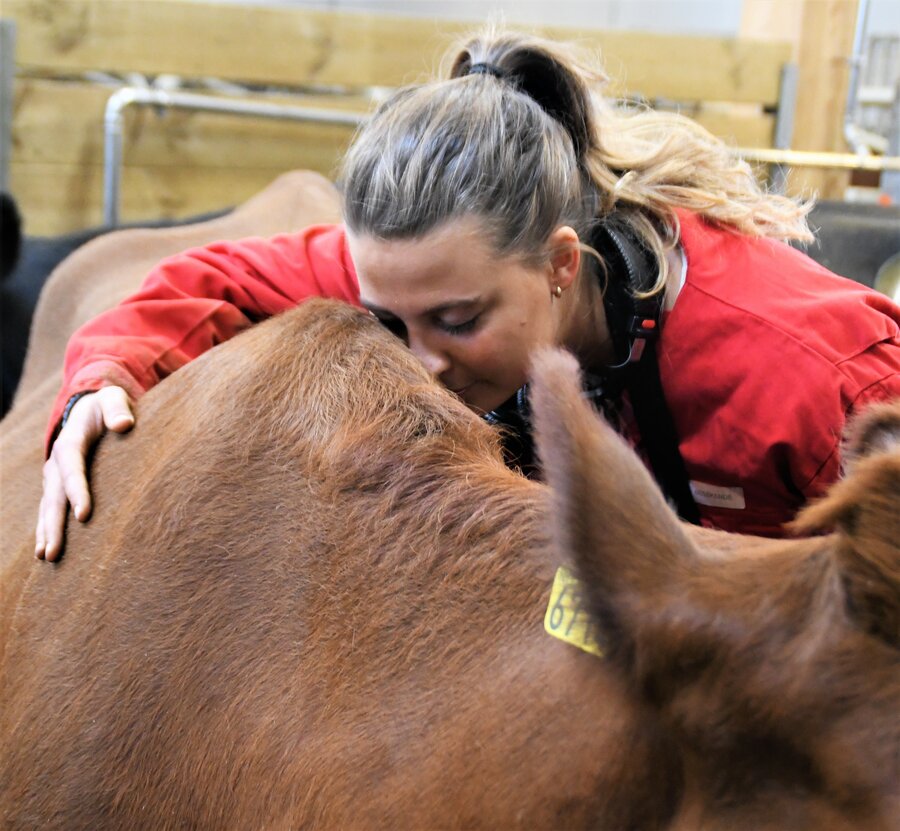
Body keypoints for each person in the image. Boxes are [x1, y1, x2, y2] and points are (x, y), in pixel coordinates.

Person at [35, 28, 900, 561]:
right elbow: (210, 280)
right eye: (390, 320)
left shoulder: (808, 372)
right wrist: (102, 381)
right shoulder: (431, 274)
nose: (422, 362)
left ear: (562, 264)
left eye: (458, 322)